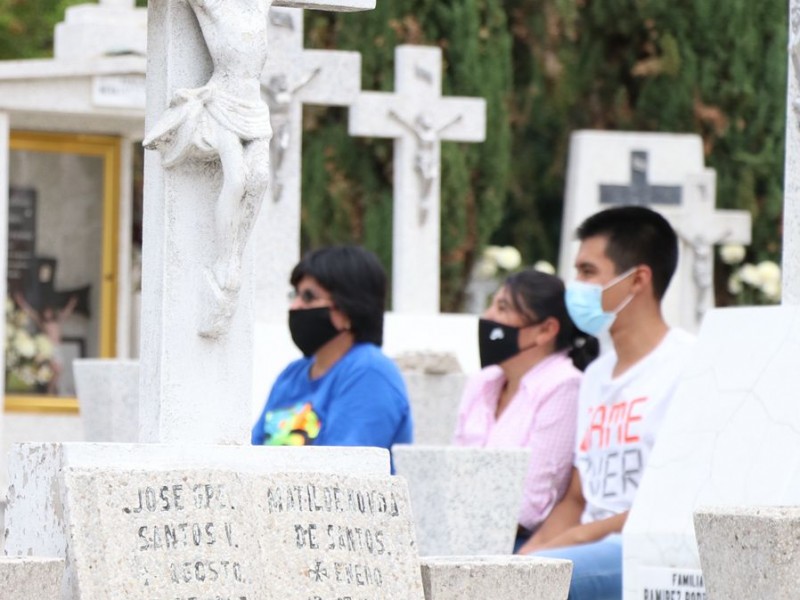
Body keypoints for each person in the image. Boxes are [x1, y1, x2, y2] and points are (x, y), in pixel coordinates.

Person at [517, 206, 695, 600]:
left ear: (638, 280)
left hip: (649, 550)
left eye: (587, 271)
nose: (574, 286)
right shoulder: (596, 375)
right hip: (585, 549)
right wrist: (525, 558)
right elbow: (578, 498)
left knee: (538, 582)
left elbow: (675, 504)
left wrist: (571, 542)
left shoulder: (690, 368)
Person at [454, 269, 598, 551]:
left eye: (503, 307)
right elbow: (450, 473)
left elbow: (530, 506)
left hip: (519, 544)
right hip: (461, 536)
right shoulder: (483, 382)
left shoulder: (564, 386)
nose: (487, 317)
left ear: (546, 330)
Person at [251, 245, 412, 451]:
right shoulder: (291, 375)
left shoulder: (370, 372)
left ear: (349, 308)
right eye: (295, 295)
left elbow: (343, 469)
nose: (295, 307)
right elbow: (253, 453)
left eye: (309, 297)